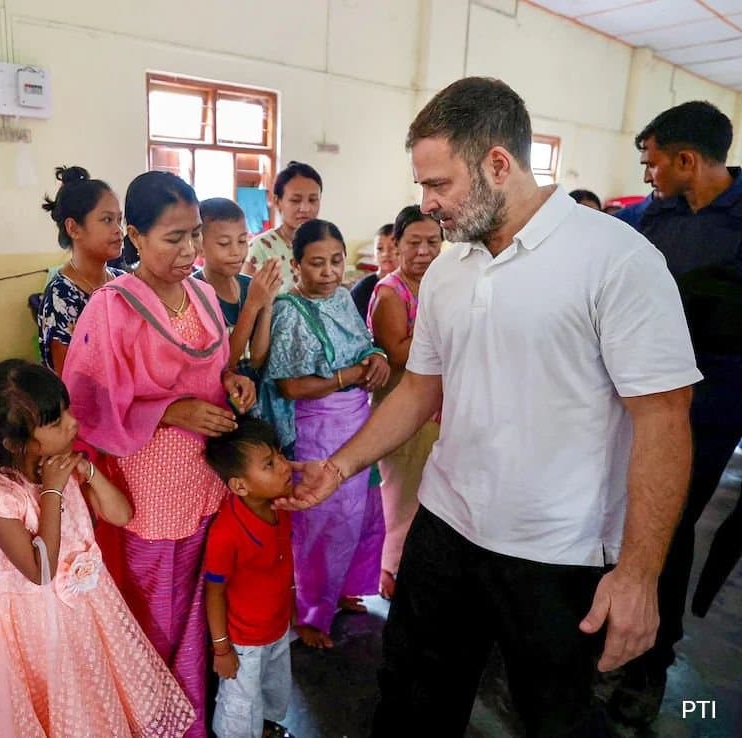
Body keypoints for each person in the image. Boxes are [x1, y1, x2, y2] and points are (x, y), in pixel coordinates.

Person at [282, 77, 701, 737]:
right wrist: (337, 468)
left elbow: (664, 420)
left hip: (557, 551)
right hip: (446, 527)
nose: (427, 204)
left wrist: (639, 573)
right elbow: (421, 388)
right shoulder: (451, 269)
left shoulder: (616, 261)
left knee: (553, 714)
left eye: (439, 184)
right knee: (414, 700)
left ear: (499, 165)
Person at [63, 171, 258, 738]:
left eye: (195, 234)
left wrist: (234, 381)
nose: (190, 250)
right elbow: (88, 399)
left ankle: (188, 717)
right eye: (174, 237)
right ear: (135, 236)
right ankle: (148, 720)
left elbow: (213, 370)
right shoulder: (112, 307)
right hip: (149, 489)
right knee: (153, 611)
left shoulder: (199, 293)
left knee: (200, 606)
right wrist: (171, 411)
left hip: (204, 478)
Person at [0, 360, 194, 737]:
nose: (72, 424)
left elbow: (121, 514)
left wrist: (87, 473)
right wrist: (53, 489)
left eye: (66, 411)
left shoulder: (59, 466)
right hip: (28, 626)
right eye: (56, 421)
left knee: (88, 703)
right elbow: (40, 570)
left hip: (84, 612)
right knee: (47, 707)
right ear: (16, 442)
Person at [609, 99, 742, 724]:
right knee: (613, 512)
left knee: (669, 523)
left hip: (711, 406)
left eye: (653, 163)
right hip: (633, 395)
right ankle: (608, 633)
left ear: (687, 160)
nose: (647, 175)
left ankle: (650, 666)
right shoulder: (645, 221)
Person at [260, 218, 389, 641]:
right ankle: (311, 612)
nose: (330, 272)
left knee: (364, 512)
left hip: (357, 420)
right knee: (325, 522)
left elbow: (362, 340)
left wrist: (376, 357)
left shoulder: (343, 297)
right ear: (296, 266)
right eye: (318, 264)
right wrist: (347, 376)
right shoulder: (288, 310)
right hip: (320, 428)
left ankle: (346, 590)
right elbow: (289, 384)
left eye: (336, 261)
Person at [366, 205, 443, 600]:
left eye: (433, 242)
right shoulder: (390, 292)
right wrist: (448, 327)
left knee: (431, 495)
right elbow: (397, 352)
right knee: (402, 500)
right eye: (414, 243)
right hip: (402, 408)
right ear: (396, 245)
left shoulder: (441, 285)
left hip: (437, 410)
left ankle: (416, 572)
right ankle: (391, 574)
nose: (424, 251)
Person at [203, 417, 296, 738]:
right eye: (270, 464)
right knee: (240, 704)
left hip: (277, 628)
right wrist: (221, 649)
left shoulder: (278, 506)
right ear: (239, 485)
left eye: (280, 455)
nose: (285, 466)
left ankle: (266, 728)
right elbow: (214, 592)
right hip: (244, 643)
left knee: (273, 687)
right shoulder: (226, 533)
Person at [36, 165, 125, 373]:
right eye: (107, 220)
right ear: (74, 228)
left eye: (119, 220)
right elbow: (70, 381)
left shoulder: (123, 283)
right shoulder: (62, 296)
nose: (118, 230)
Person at [193, 197, 281, 375]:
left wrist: (267, 303)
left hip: (252, 396)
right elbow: (225, 364)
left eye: (242, 241)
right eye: (224, 244)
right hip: (215, 397)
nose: (236, 252)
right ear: (200, 247)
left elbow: (257, 360)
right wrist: (253, 304)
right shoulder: (194, 293)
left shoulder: (250, 285)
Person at [243, 162, 323, 293]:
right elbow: (247, 302)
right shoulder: (260, 248)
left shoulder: (325, 244)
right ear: (277, 201)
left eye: (313, 200)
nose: (305, 208)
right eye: (295, 200)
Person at [350, 223, 397, 318]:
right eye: (380, 249)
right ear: (373, 256)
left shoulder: (410, 284)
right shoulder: (363, 289)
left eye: (392, 248)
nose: (385, 254)